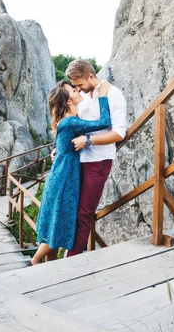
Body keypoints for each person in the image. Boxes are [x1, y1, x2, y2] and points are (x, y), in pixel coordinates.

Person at [31, 80, 113, 264]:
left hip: (62, 174)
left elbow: (62, 144)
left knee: (56, 220)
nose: (77, 90)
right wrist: (102, 96)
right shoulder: (71, 122)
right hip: (65, 177)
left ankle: (49, 268)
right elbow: (105, 122)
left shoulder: (66, 121)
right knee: (59, 222)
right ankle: (35, 261)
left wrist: (56, 151)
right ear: (68, 101)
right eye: (73, 90)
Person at [64, 59, 127, 257]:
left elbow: (119, 133)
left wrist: (89, 141)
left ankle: (71, 261)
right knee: (72, 208)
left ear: (91, 76)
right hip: (78, 160)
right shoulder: (83, 97)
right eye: (75, 86)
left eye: (80, 84)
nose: (78, 89)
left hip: (98, 161)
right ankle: (67, 252)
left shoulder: (112, 93)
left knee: (84, 212)